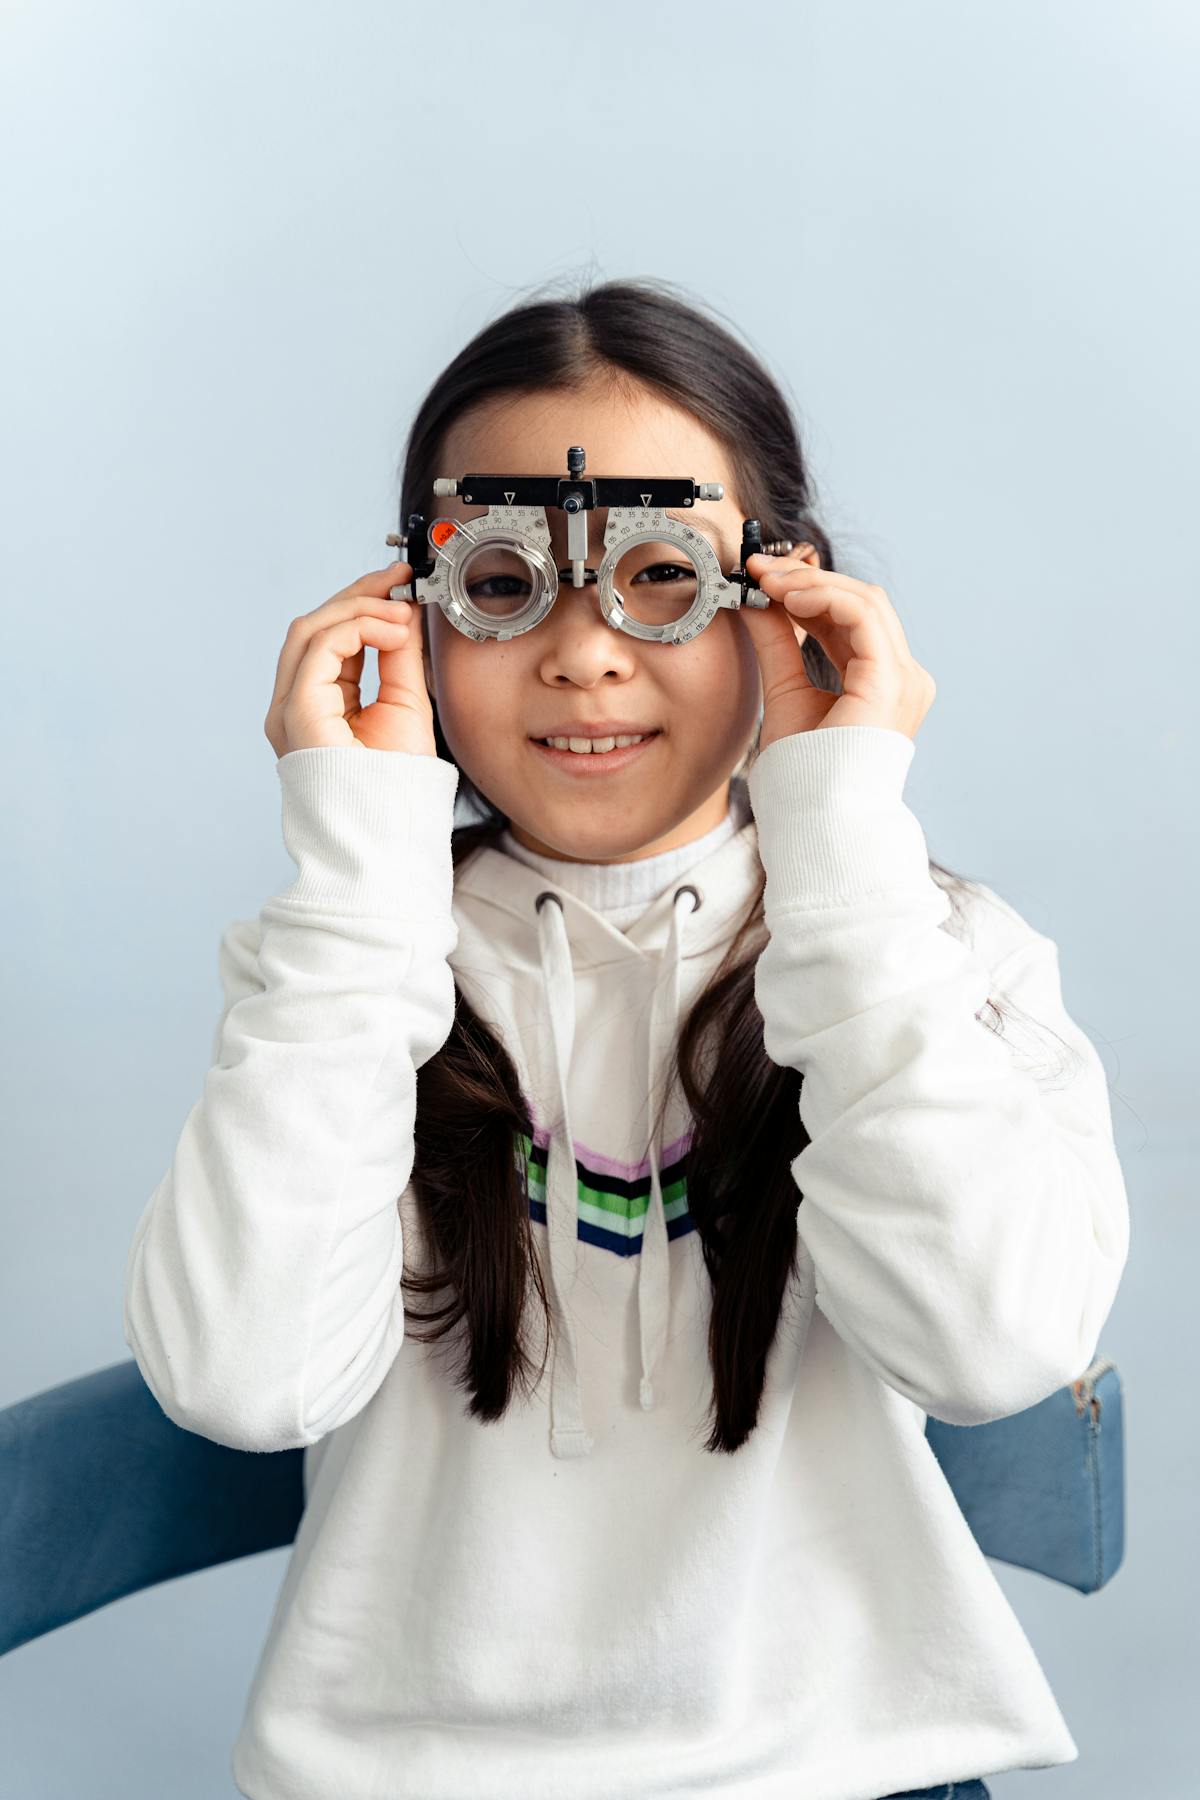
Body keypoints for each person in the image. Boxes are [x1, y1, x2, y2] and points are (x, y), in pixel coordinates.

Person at [122, 277, 1129, 1800]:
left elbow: (992, 1347)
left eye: (664, 575)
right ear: (412, 611)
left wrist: (841, 840)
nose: (586, 655)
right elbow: (245, 1384)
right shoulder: (343, 971)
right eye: (506, 579)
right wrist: (356, 871)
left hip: (848, 1772)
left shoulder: (931, 959)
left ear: (787, 607)